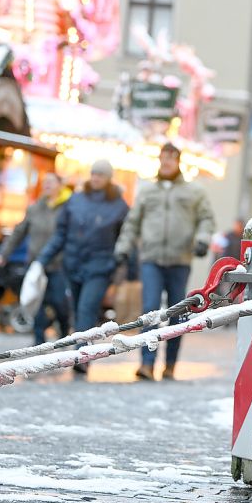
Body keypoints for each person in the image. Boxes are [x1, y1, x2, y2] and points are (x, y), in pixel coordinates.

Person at [114, 143, 216, 381]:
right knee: (150, 310)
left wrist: (202, 239)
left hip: (180, 259)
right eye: (163, 158)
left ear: (178, 161)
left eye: (171, 158)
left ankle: (170, 364)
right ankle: (147, 364)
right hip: (151, 259)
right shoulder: (148, 191)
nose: (167, 162)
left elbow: (206, 219)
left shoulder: (194, 192)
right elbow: (132, 223)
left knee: (177, 312)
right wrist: (123, 248)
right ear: (159, 160)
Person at [37, 160, 129, 373]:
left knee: (87, 308)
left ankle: (82, 357)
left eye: (101, 175)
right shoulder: (76, 200)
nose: (96, 178)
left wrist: (124, 267)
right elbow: (61, 233)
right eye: (94, 174)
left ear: (108, 178)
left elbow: (126, 237)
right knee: (77, 310)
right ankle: (81, 351)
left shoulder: (119, 205)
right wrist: (43, 259)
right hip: (73, 263)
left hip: (100, 266)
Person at [0, 173, 73, 345]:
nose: (47, 185)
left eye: (51, 182)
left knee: (59, 303)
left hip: (58, 264)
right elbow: (19, 232)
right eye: (45, 182)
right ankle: (39, 340)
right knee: (35, 302)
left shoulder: (67, 208)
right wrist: (4, 252)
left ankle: (63, 331)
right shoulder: (35, 209)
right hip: (35, 264)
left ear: (60, 185)